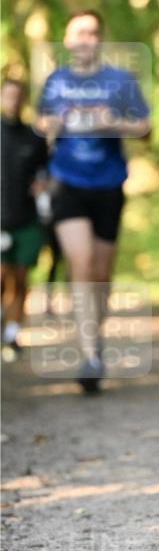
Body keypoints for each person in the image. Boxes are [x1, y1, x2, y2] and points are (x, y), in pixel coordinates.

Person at [36, 10, 150, 393]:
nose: (86, 39)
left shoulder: (120, 80)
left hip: (108, 184)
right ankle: (88, 356)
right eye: (78, 33)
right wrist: (52, 126)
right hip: (66, 181)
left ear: (100, 40)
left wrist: (111, 121)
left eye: (92, 33)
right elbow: (41, 124)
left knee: (100, 272)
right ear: (68, 41)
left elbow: (145, 127)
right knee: (81, 262)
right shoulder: (55, 82)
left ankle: (93, 341)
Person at [1, 78, 49, 360]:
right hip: (0, 218)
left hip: (27, 219)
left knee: (20, 279)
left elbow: (45, 173)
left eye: (18, 96)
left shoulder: (34, 138)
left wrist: (42, 187)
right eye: (8, 95)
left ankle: (13, 333)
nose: (13, 101)